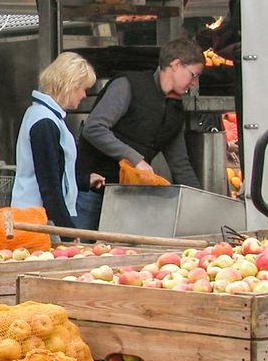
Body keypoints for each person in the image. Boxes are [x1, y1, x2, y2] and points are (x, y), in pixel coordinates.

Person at [75, 37, 205, 229]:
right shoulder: (127, 85)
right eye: (193, 75)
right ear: (176, 65)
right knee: (81, 251)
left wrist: (200, 203)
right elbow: (94, 128)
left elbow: (180, 164)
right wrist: (135, 159)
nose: (194, 83)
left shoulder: (175, 111)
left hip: (129, 201)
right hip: (91, 192)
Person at [11, 52, 104, 228]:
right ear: (69, 86)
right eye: (82, 88)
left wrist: (83, 181)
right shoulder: (45, 121)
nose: (84, 94)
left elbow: (52, 173)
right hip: (39, 220)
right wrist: (68, 231)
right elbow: (49, 185)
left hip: (36, 215)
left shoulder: (41, 115)